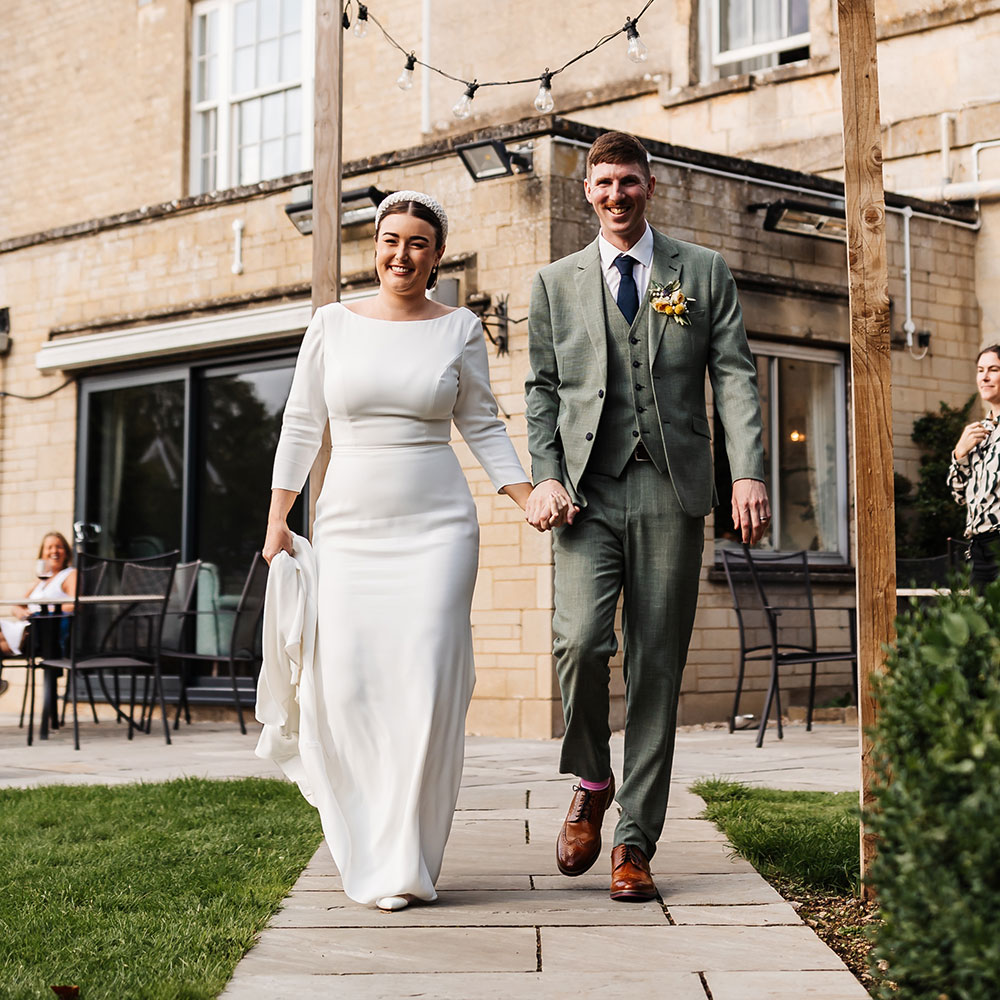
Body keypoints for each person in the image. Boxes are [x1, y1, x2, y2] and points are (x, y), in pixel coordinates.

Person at [262, 191, 532, 912]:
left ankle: (406, 862)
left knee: (424, 689)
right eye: (389, 240)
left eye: (417, 242)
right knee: (346, 688)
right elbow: (299, 425)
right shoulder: (332, 324)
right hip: (348, 528)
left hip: (438, 531)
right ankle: (366, 845)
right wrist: (278, 520)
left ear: (437, 256)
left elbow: (482, 422)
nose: (400, 255)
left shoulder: (460, 329)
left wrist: (525, 494)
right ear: (373, 246)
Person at [524, 131, 770, 902]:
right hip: (586, 495)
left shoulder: (700, 271)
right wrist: (546, 477)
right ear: (586, 191)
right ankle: (593, 777)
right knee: (579, 642)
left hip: (672, 489)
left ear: (650, 185)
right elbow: (540, 390)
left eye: (628, 181)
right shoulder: (554, 282)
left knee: (656, 665)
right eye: (603, 183)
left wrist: (749, 472)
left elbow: (733, 375)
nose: (616, 194)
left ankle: (634, 839)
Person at [948, 344, 1000, 586]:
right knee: (981, 624)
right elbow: (960, 496)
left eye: (994, 369)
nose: (985, 377)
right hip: (979, 548)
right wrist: (960, 453)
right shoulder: (978, 432)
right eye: (980, 370)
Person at [0, 531, 77, 659]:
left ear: (66, 552)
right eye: (49, 547)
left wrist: (45, 611)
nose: (54, 551)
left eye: (59, 547)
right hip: (30, 626)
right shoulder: (42, 580)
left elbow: (74, 605)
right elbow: (16, 606)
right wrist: (20, 612)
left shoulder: (70, 574)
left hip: (48, 632)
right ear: (42, 554)